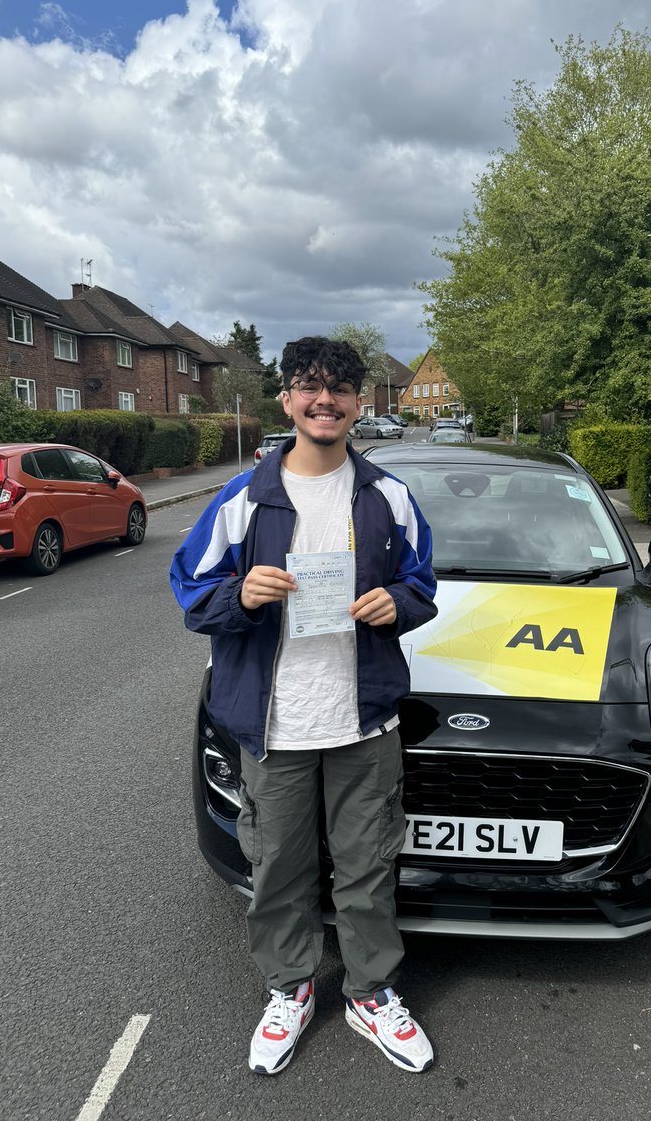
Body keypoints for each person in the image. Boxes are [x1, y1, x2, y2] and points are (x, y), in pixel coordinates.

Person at [170, 336, 437, 1076]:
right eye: (309, 387)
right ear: (285, 400)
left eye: (341, 389)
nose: (326, 400)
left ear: (358, 403)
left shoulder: (387, 497)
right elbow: (190, 590)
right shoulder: (242, 498)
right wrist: (239, 594)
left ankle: (371, 992)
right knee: (279, 866)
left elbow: (423, 581)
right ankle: (289, 988)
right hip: (274, 724)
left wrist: (399, 604)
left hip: (364, 719)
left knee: (366, 865)